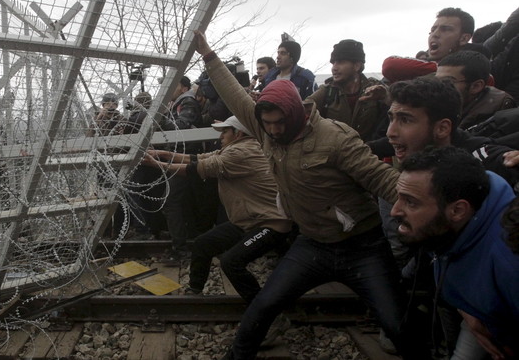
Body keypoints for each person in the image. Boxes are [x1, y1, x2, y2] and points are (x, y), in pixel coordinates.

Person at [193, 31, 426, 359]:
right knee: (261, 310)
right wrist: (208, 55)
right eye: (267, 123)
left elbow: (383, 180)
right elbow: (234, 95)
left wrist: (423, 212)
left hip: (362, 246)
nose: (273, 130)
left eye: (279, 123)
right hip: (313, 244)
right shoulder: (264, 127)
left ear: (296, 114)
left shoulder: (336, 140)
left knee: (398, 324)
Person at [144, 115, 291, 303]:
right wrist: (163, 154)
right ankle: (195, 291)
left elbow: (197, 168)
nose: (221, 136)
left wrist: (157, 165)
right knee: (203, 244)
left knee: (231, 262)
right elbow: (199, 158)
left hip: (270, 224)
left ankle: (261, 308)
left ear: (238, 133)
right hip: (249, 221)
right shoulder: (236, 148)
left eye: (225, 131)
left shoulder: (240, 153)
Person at [393, 146, 519, 359]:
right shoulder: (463, 207)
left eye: (410, 202)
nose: (395, 210)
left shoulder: (510, 262)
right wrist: (470, 310)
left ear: (458, 210)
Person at [157, 76, 202, 264]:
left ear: (183, 87)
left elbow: (181, 127)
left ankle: (180, 248)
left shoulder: (187, 102)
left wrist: (156, 118)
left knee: (171, 202)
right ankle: (185, 241)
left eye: (172, 85)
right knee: (180, 201)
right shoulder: (176, 103)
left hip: (184, 156)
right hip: (179, 155)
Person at [306, 39, 387, 140]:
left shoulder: (376, 88)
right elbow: (302, 109)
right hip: (336, 153)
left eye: (340, 62)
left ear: (357, 66)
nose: (334, 68)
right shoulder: (327, 91)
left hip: (369, 153)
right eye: (333, 63)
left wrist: (386, 97)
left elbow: (398, 107)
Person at [436, 50, 515, 130]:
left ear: (476, 86)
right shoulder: (441, 105)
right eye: (436, 81)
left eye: (447, 82)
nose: (437, 87)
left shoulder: (494, 120)